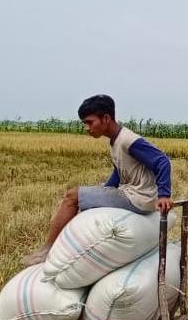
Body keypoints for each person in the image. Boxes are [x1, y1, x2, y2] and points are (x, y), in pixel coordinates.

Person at [22, 94, 174, 266]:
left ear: (106, 118)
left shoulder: (128, 140)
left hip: (137, 198)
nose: (86, 127)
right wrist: (105, 190)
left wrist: (164, 195)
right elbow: (119, 172)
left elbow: (162, 161)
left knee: (71, 197)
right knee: (88, 196)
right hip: (131, 194)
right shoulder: (115, 140)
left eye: (89, 122)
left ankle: (47, 250)